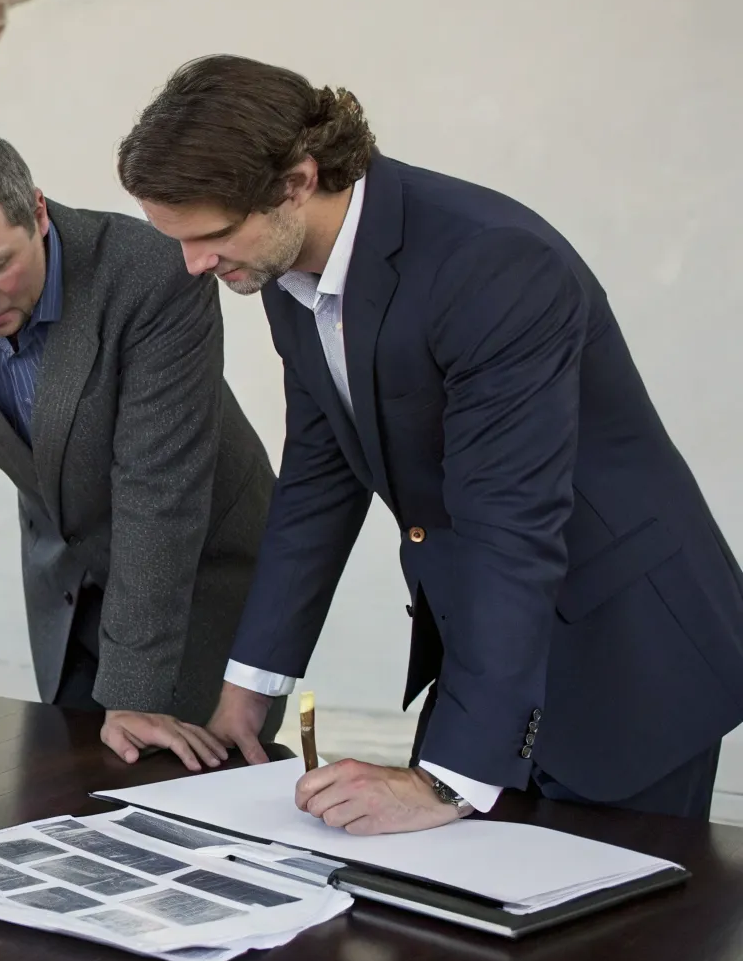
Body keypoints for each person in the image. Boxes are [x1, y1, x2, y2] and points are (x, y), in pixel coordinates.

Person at [117, 54, 743, 831]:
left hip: (631, 653)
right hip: (489, 643)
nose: (194, 265)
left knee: (610, 944)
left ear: (296, 181)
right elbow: (317, 481)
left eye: (211, 236)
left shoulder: (491, 263)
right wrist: (250, 688)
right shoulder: (280, 273)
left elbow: (508, 524)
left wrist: (446, 780)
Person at [0, 128, 282, 771]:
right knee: (65, 782)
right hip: (64, 574)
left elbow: (158, 489)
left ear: (38, 214)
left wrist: (134, 693)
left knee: (182, 794)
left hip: (196, 569)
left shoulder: (151, 271)